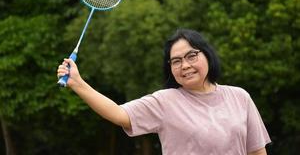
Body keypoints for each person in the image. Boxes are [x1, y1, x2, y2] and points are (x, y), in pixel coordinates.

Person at [57, 28, 271, 155]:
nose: (185, 65)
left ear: (207, 55)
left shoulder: (240, 97)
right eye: (176, 61)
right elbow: (119, 113)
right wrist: (78, 83)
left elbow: (257, 151)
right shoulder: (165, 101)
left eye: (191, 56)